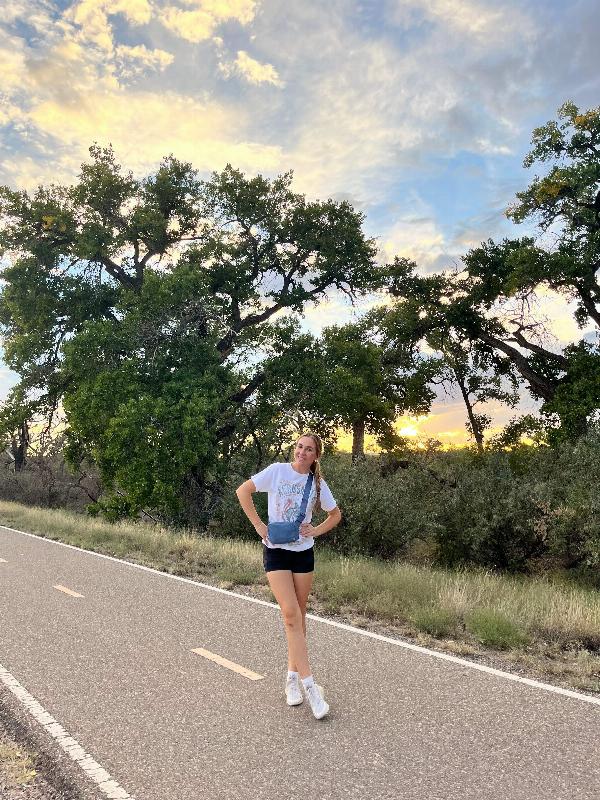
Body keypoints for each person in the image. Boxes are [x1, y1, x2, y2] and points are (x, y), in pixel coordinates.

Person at [236, 433, 342, 719]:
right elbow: (243, 491)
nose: (302, 452)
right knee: (291, 615)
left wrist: (315, 530)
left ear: (316, 456)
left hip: (303, 553)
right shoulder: (277, 471)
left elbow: (335, 515)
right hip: (276, 552)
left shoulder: (317, 484)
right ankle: (311, 689)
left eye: (309, 449)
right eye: (299, 447)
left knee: (299, 617)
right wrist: (259, 525)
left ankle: (291, 679)